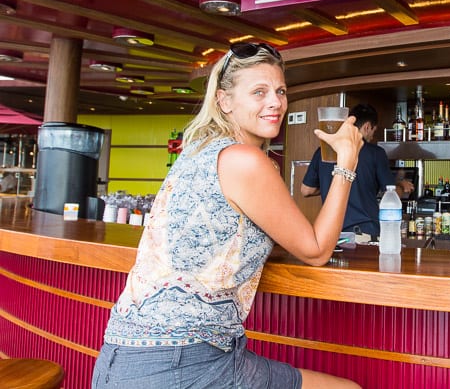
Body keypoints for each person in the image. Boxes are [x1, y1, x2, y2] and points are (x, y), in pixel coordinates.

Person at [92, 42, 363, 389]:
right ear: (224, 101)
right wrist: (346, 163)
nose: (276, 102)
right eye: (259, 92)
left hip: (119, 359)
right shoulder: (245, 161)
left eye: (280, 91)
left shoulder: (197, 152)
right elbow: (317, 250)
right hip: (183, 363)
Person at [300, 104, 414, 239]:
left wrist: (332, 184)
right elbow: (391, 194)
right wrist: (402, 185)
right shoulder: (375, 153)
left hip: (331, 234)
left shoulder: (323, 152)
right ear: (367, 127)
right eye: (373, 130)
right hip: (363, 232)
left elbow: (306, 190)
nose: (372, 136)